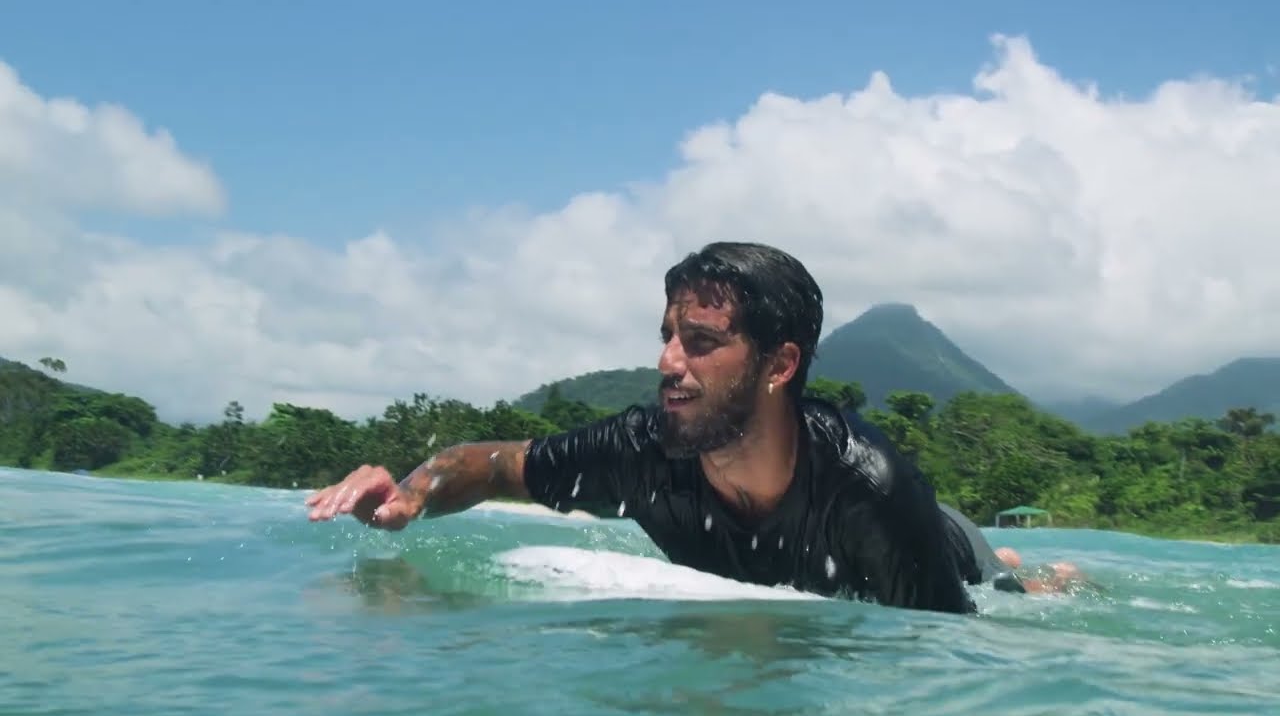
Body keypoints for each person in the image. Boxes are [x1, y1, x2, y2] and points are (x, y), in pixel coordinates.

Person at [306, 241, 979, 614]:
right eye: (667, 337)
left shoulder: (868, 491)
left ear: (779, 364)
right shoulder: (641, 451)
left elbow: (948, 649)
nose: (667, 363)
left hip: (949, 543)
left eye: (701, 341)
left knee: (1001, 578)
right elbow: (490, 465)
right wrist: (410, 498)